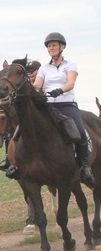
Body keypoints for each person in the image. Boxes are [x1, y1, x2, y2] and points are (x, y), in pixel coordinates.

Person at [33, 32, 94, 187]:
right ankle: (13, 162)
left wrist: (60, 90)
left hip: (67, 104)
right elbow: (37, 85)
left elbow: (71, 83)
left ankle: (85, 167)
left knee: (80, 131)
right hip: (49, 105)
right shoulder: (44, 68)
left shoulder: (70, 64)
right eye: (49, 46)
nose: (51, 48)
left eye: (53, 45)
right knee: (25, 126)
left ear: (62, 47)